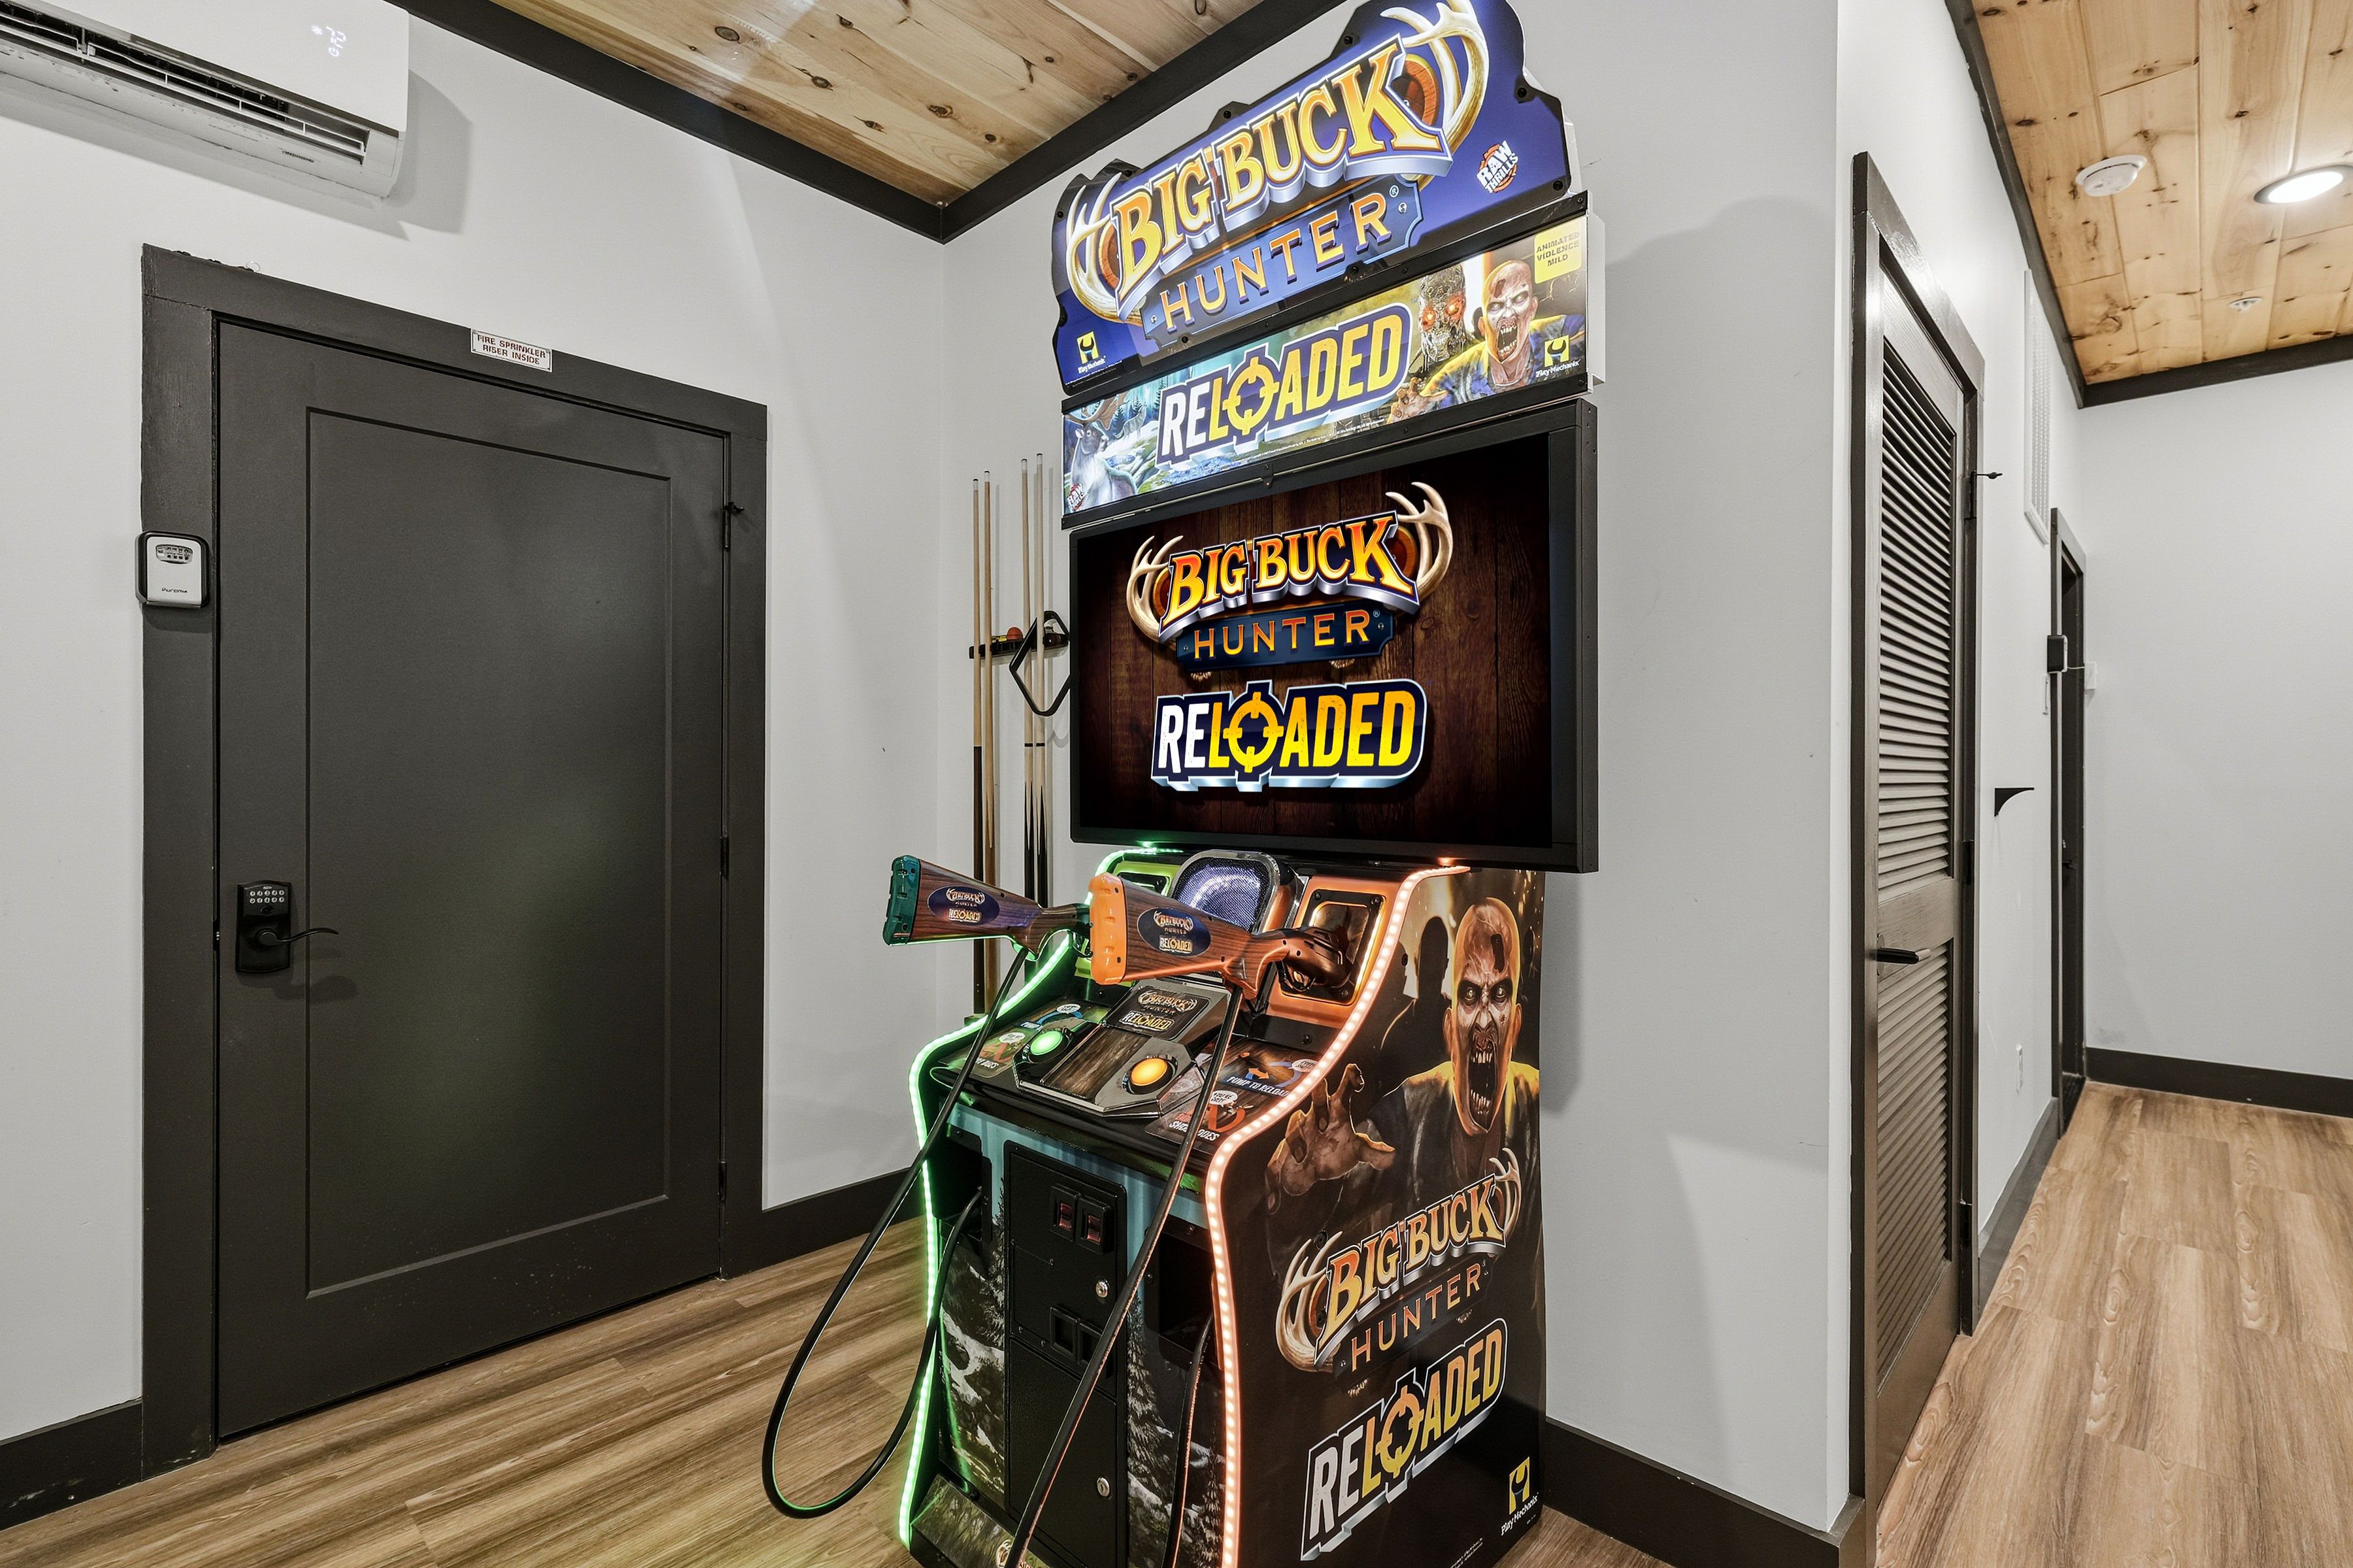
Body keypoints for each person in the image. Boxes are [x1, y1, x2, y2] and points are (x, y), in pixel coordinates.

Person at [1388, 258, 1578, 419]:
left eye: (1519, 299)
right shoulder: (1457, 375)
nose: (1508, 313)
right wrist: (1404, 420)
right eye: (1496, 306)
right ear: (1483, 325)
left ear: (1532, 309)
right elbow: (1404, 419)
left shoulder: (1556, 333)